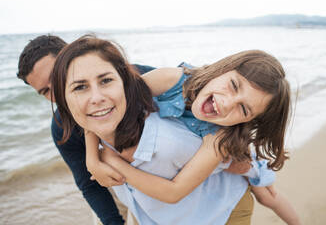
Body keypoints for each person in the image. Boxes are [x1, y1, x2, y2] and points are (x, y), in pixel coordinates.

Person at [52, 35, 254, 224]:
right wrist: (92, 160)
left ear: (126, 82)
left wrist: (111, 161)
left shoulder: (169, 140)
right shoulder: (102, 124)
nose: (96, 98)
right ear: (64, 100)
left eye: (106, 80)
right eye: (80, 87)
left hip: (223, 213)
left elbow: (238, 166)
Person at [87, 50, 301, 224]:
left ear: (247, 121)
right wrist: (92, 159)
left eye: (243, 109)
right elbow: (103, 109)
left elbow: (174, 192)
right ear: (223, 69)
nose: (227, 102)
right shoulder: (171, 80)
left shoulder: (220, 138)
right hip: (212, 169)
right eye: (233, 85)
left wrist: (114, 162)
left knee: (265, 191)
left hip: (235, 165)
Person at [16, 35, 155, 224]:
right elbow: (88, 185)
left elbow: (188, 85)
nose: (57, 91)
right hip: (118, 186)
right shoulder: (61, 127)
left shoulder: (134, 79)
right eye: (46, 91)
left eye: (55, 76)